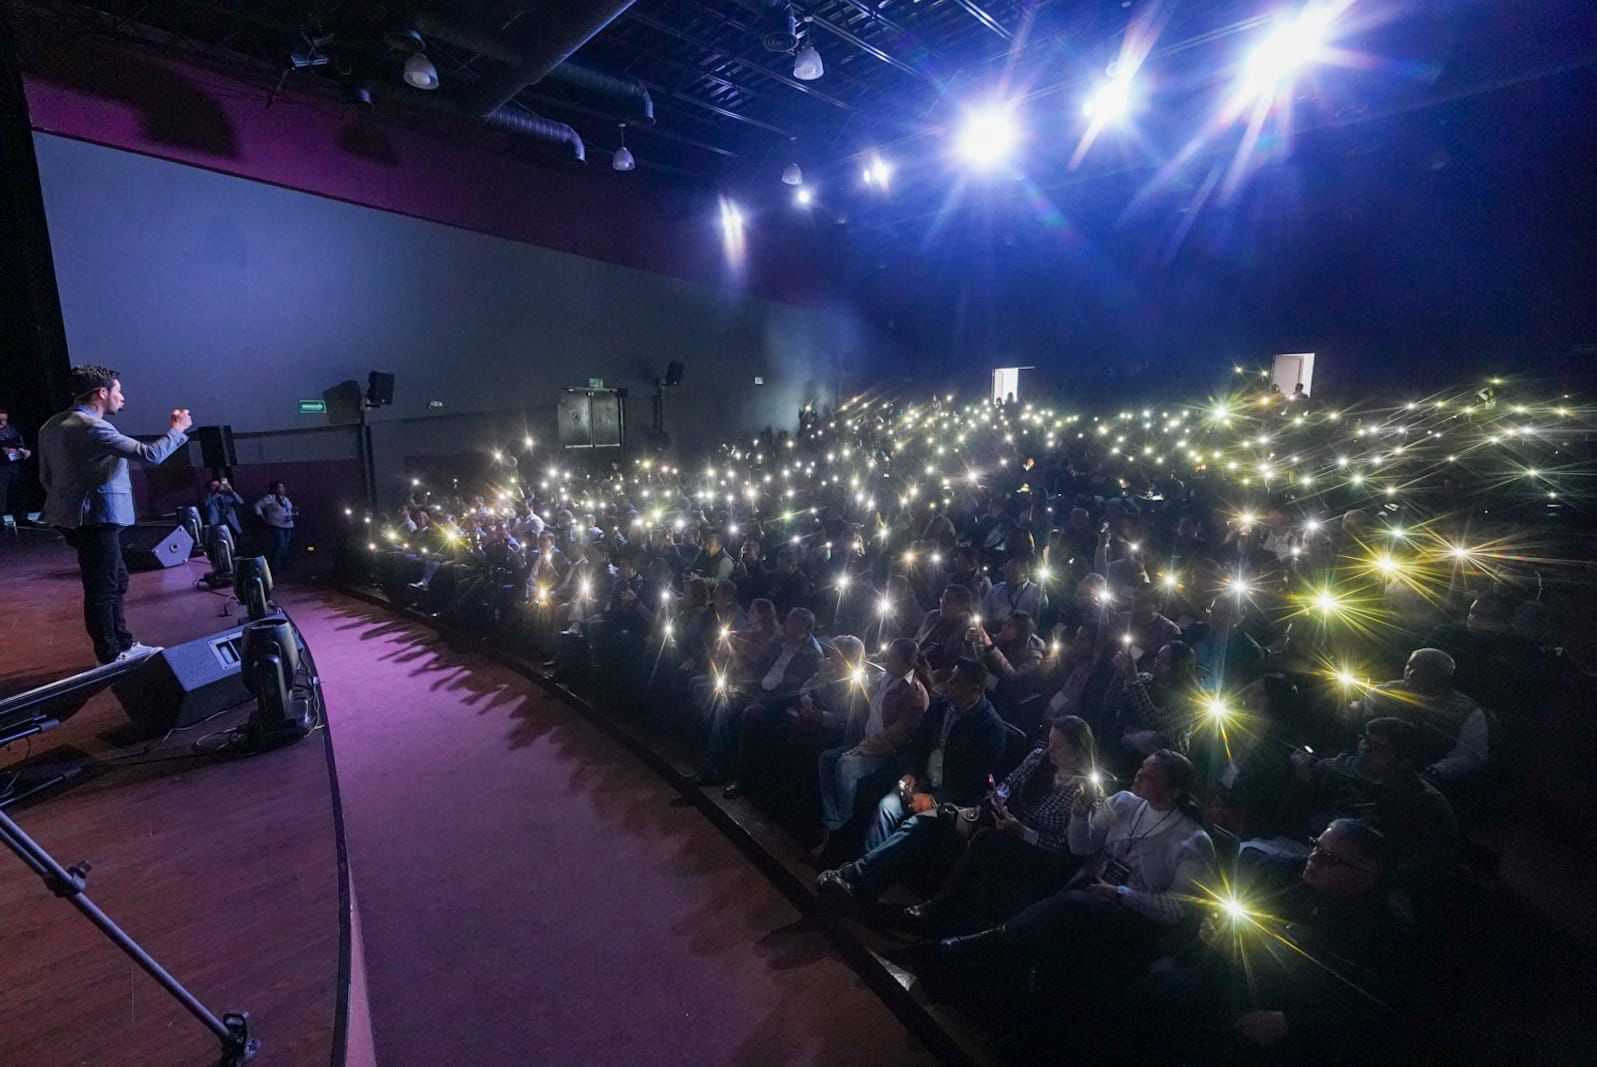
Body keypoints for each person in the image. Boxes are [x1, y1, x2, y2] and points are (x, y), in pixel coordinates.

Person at [929, 750, 1215, 983]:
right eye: (1141, 768)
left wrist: (1119, 893)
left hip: (1132, 917)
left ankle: (981, 946)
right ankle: (950, 920)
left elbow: (1177, 909)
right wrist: (1080, 815)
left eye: (1150, 776)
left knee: (1074, 906)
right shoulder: (1126, 803)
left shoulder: (1191, 840)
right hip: (1089, 887)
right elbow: (1082, 847)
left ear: (1174, 791)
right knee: (995, 844)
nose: (1139, 775)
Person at [815, 658, 1005, 901]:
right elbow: (918, 746)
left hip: (952, 799)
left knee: (914, 824)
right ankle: (867, 886)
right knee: (886, 808)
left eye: (957, 681)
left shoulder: (990, 728)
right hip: (925, 780)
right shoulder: (940, 706)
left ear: (975, 689)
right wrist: (910, 774)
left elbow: (972, 780)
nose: (949, 683)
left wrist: (933, 800)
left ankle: (857, 874)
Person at [38, 364, 192, 664]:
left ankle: (121, 643)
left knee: (115, 580)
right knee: (103, 587)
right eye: (118, 391)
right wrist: (178, 429)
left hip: (72, 517)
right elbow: (151, 455)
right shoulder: (92, 426)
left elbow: (45, 477)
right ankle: (110, 654)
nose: (122, 397)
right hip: (96, 518)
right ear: (102, 392)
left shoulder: (51, 426)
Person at [903, 716, 1099, 935]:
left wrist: (1022, 832)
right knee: (950, 818)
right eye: (1050, 741)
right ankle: (935, 901)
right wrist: (1000, 798)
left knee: (987, 840)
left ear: (1077, 750)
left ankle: (940, 907)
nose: (1050, 749)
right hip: (1007, 821)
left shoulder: (1083, 793)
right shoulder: (1038, 759)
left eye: (1058, 746)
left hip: (1037, 850)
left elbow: (1062, 845)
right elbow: (1009, 784)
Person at [815, 638, 931, 857]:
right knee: (826, 759)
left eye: (892, 658)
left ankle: (839, 833)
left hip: (885, 752)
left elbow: (897, 735)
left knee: (846, 765)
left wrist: (862, 748)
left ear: (906, 664)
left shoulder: (913, 694)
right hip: (866, 741)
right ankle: (835, 823)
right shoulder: (886, 677)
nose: (886, 660)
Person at [0, 407, 34, 526]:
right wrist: (3, 450)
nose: (2, 422)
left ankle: (21, 518)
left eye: (4, 419)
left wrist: (25, 451)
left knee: (19, 492)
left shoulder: (13, 431)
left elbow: (22, 444)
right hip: (1, 467)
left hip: (15, 465)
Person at [255, 480, 296, 575]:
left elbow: (288, 509)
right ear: (274, 489)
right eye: (280, 487)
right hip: (277, 525)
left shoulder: (286, 499)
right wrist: (263, 518)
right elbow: (257, 506)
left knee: (285, 546)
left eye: (283, 487)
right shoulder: (270, 498)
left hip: (288, 525)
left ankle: (283, 565)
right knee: (280, 545)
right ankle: (274, 568)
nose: (282, 489)